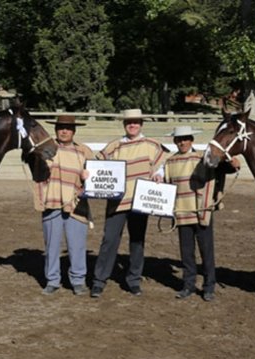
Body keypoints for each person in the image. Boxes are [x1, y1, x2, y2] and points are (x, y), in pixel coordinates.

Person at [90, 108, 168, 298]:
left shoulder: (152, 145)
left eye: (136, 122)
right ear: (124, 125)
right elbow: (97, 166)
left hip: (141, 201)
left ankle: (134, 279)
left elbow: (165, 163)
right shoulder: (114, 146)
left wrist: (160, 174)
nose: (132, 125)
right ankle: (99, 280)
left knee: (137, 241)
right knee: (109, 240)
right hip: (118, 202)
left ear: (141, 124)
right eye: (129, 122)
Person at [163, 126, 239, 301]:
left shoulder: (203, 158)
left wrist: (233, 165)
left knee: (206, 251)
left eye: (185, 139)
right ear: (175, 141)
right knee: (186, 252)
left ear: (191, 140)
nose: (182, 142)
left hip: (202, 211)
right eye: (179, 139)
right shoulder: (170, 162)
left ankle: (208, 286)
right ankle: (188, 285)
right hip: (181, 211)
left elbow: (223, 168)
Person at [34, 115, 94, 296]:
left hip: (77, 204)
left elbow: (98, 176)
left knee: (77, 245)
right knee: (51, 244)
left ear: (74, 131)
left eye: (68, 128)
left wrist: (88, 180)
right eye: (61, 127)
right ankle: (52, 280)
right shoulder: (44, 150)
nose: (64, 131)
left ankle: (78, 280)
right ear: (56, 130)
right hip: (52, 202)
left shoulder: (84, 151)